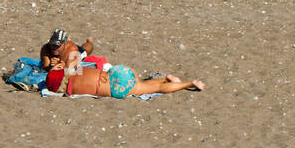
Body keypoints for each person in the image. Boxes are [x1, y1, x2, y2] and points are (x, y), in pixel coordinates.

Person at [45, 55, 205, 97]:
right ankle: (167, 79)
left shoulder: (71, 90)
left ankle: (189, 84)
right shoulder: (76, 70)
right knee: (143, 83)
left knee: (156, 89)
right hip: (119, 72)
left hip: (117, 88)